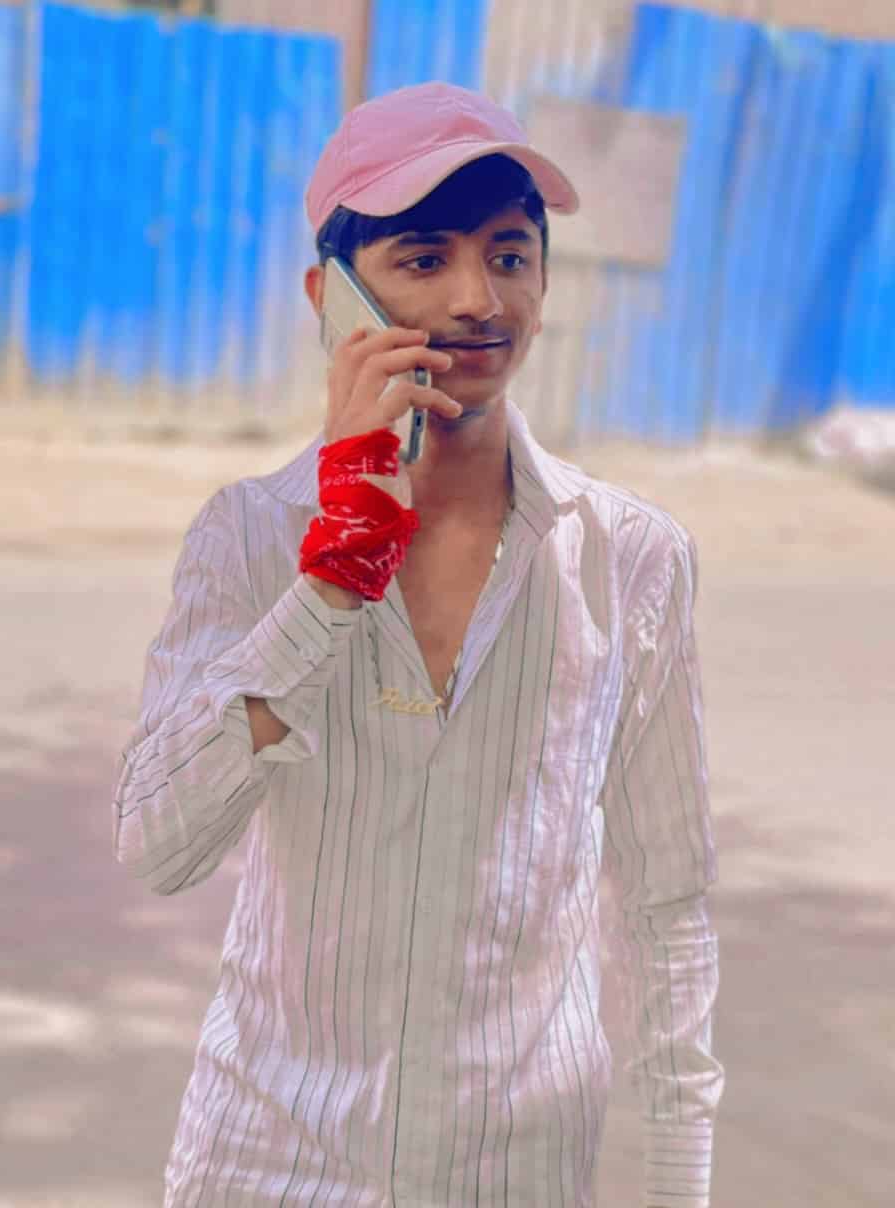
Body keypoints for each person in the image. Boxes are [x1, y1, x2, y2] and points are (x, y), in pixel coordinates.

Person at [112, 81, 724, 1208]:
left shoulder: (630, 557)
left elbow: (665, 897)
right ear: (332, 297)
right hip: (269, 1157)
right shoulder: (249, 536)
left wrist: (680, 1176)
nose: (477, 300)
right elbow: (159, 843)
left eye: (509, 255)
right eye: (424, 258)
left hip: (517, 1166)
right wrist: (331, 579)